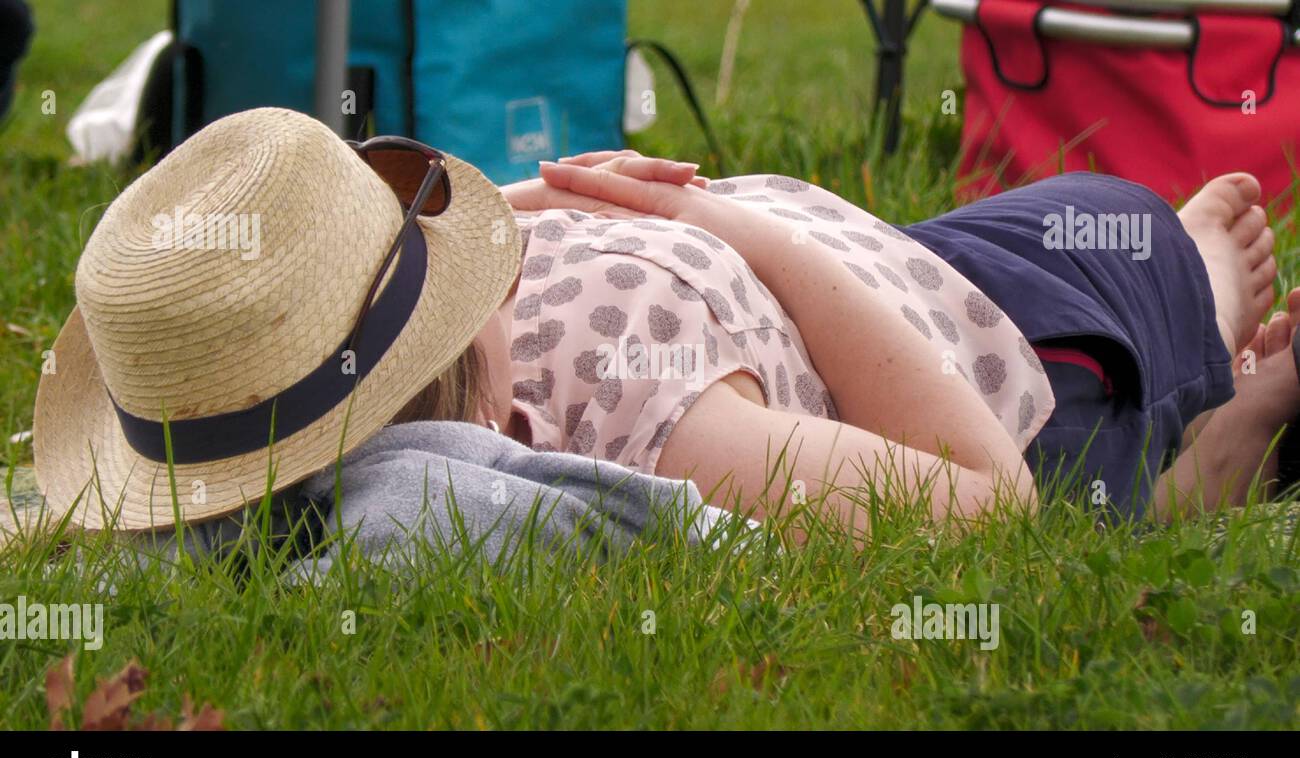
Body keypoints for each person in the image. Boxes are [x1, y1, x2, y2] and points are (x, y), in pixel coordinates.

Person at [32, 108, 1291, 548]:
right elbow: (984, 500)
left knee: (1085, 218)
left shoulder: (460, 329)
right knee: (1125, 257)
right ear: (467, 369)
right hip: (992, 363)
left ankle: (1184, 311)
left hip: (910, 261)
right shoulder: (657, 422)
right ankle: (1199, 424)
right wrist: (743, 230)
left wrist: (550, 199)